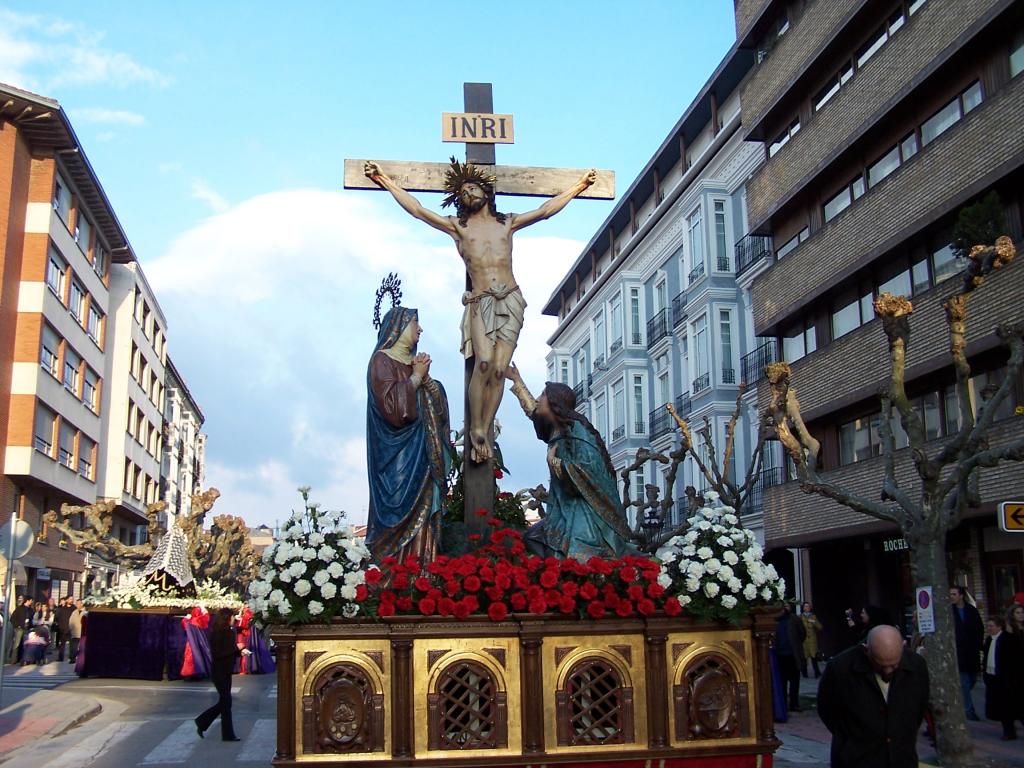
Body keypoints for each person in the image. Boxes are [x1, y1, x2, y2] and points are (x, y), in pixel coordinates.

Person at [366, 158, 596, 464]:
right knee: (484, 363)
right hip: (481, 301)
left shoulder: (507, 223)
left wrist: (579, 187)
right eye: (461, 192)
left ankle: (485, 427)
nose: (467, 194)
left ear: (486, 192)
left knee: (500, 369)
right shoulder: (459, 227)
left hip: (511, 299)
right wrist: (386, 181)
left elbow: (545, 211)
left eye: (472, 187)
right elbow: (418, 210)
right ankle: (475, 426)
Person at [505, 366, 636, 559]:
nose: (539, 399)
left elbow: (589, 470)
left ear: (554, 403)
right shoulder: (555, 429)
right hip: (562, 507)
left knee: (573, 554)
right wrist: (517, 380)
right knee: (533, 537)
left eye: (543, 395)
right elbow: (533, 411)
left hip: (582, 510)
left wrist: (555, 463)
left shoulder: (578, 431)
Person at [366, 305, 450, 563]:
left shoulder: (416, 366)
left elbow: (436, 406)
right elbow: (392, 409)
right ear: (400, 327)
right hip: (395, 454)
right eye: (416, 323)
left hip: (422, 452)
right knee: (397, 505)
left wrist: (427, 382)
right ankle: (393, 571)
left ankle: (423, 569)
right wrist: (415, 378)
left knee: (423, 508)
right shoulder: (381, 360)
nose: (420, 329)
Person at [818, 624, 929, 768]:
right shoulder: (840, 668)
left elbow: (919, 708)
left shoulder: (916, 666)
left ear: (903, 646)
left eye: (894, 665)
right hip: (857, 759)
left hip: (901, 758)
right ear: (866, 650)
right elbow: (827, 710)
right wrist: (851, 739)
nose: (888, 671)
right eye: (881, 665)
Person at [195, 607, 248, 741]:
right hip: (219, 671)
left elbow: (229, 651)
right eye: (231, 617)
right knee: (226, 702)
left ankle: (211, 726)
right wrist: (236, 648)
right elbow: (219, 653)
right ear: (226, 618)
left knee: (225, 703)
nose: (233, 619)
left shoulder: (229, 632)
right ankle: (205, 722)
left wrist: (239, 652)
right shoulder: (219, 633)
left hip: (226, 670)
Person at [983, 613, 1023, 739]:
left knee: (1013, 707)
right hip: (993, 677)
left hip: (1007, 679)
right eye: (988, 626)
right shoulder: (989, 640)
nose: (989, 629)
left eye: (991, 626)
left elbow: (1014, 660)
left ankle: (1010, 731)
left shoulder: (1008, 639)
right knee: (1002, 708)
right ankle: (1008, 732)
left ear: (999, 627)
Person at [950, 584, 984, 721]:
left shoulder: (972, 611)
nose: (951, 597)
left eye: (954, 594)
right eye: (950, 594)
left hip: (972, 651)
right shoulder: (949, 612)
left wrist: (978, 645)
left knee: (972, 679)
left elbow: (979, 628)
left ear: (961, 596)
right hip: (958, 651)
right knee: (963, 681)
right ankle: (969, 710)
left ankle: (959, 698)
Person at [776, 602, 807, 712]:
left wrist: (796, 645)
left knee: (794, 681)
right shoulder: (775, 620)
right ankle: (783, 703)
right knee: (782, 682)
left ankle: (794, 703)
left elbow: (802, 633)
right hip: (780, 655)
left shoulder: (794, 619)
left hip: (793, 655)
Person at [801, 601, 824, 678]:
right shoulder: (800, 617)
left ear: (810, 608)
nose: (806, 608)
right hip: (804, 641)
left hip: (812, 641)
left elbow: (820, 627)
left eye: (808, 606)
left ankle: (817, 673)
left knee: (814, 658)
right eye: (805, 606)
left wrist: (814, 622)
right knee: (804, 658)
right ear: (803, 608)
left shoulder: (813, 616)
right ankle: (804, 674)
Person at [6, 596, 32, 663]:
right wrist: (18, 625)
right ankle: (14, 659)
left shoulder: (30, 609)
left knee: (25, 644)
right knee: (16, 644)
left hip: (27, 628)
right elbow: (12, 619)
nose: (32, 602)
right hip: (19, 628)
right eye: (31, 600)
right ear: (28, 601)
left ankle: (22, 659)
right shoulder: (20, 608)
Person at [55, 596, 73, 661]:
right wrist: (60, 626)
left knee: (72, 644)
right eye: (70, 599)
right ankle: (60, 657)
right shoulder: (62, 609)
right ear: (67, 600)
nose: (72, 600)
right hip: (63, 628)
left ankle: (71, 657)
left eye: (72, 599)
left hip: (71, 628)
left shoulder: (74, 608)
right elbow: (57, 617)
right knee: (62, 644)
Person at [68, 599, 85, 663]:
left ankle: (82, 659)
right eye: (76, 603)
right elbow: (70, 621)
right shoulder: (74, 612)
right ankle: (73, 658)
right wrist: (71, 629)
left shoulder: (85, 612)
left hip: (82, 632)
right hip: (75, 632)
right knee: (73, 647)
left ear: (82, 604)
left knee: (82, 647)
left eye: (78, 603)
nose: (77, 605)